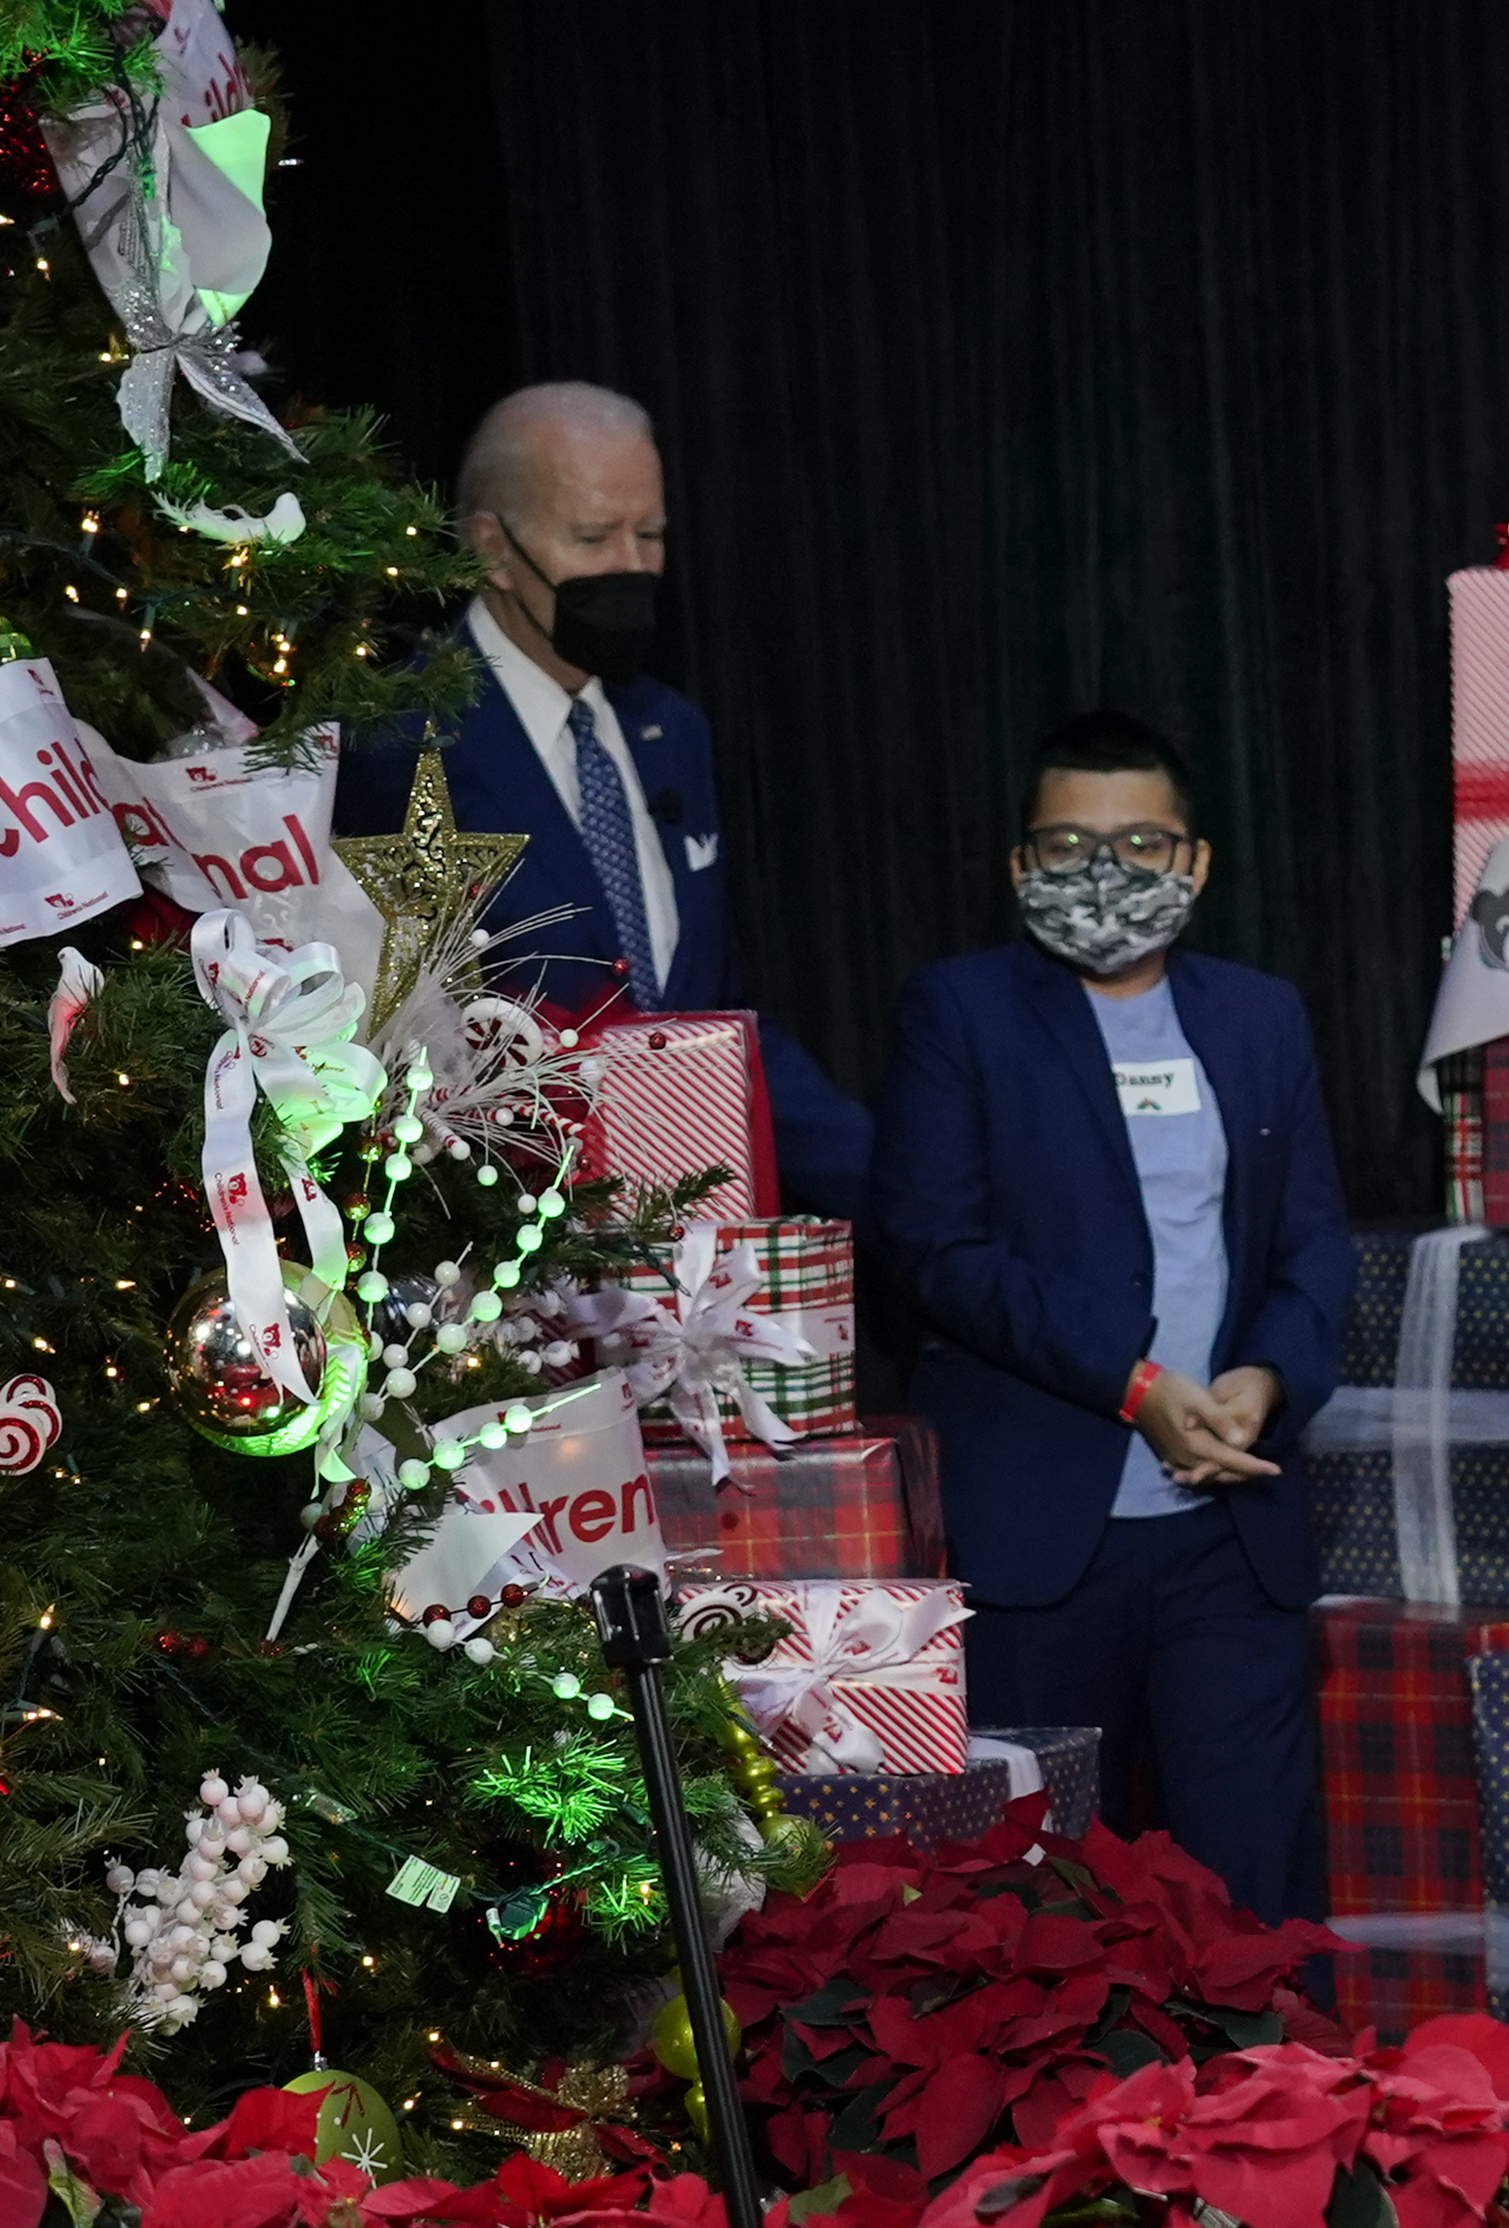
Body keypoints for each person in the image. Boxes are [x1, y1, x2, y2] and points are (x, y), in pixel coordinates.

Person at [875, 710, 1351, 1923]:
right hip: (1040, 1539)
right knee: (1039, 1905)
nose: (1106, 871)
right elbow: (937, 1249)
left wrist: (1269, 1377)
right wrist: (1135, 1387)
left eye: (1141, 842)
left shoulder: (1259, 1016)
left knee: (1252, 1902)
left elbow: (1313, 1245)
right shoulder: (959, 1013)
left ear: (1192, 860)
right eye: (1069, 843)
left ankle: (1272, 2116)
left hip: (1230, 1536)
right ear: (1020, 865)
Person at [333, 381, 871, 1221]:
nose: (631, 565)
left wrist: (904, 1187)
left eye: (650, 533)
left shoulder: (672, 729)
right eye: (593, 536)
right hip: (501, 1261)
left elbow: (710, 1011)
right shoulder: (396, 742)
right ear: (493, 549)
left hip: (694, 1236)